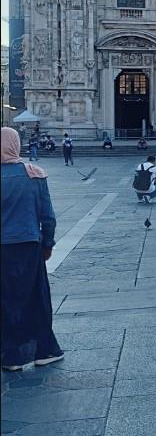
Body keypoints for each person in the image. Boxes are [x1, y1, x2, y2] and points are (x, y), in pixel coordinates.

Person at [1, 126, 64, 371]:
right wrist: (48, 244)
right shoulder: (34, 174)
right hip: (28, 246)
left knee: (4, 299)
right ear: (15, 144)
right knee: (35, 297)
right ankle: (44, 350)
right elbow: (47, 217)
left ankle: (12, 355)